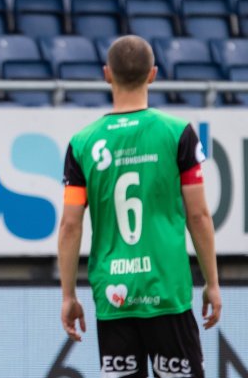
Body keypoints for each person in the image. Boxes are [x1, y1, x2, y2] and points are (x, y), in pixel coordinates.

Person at [58, 35, 222, 377]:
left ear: (107, 74)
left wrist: (68, 295)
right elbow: (199, 215)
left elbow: (70, 225)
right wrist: (212, 282)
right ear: (153, 74)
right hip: (167, 290)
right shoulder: (178, 134)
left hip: (114, 295)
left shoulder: (82, 143)